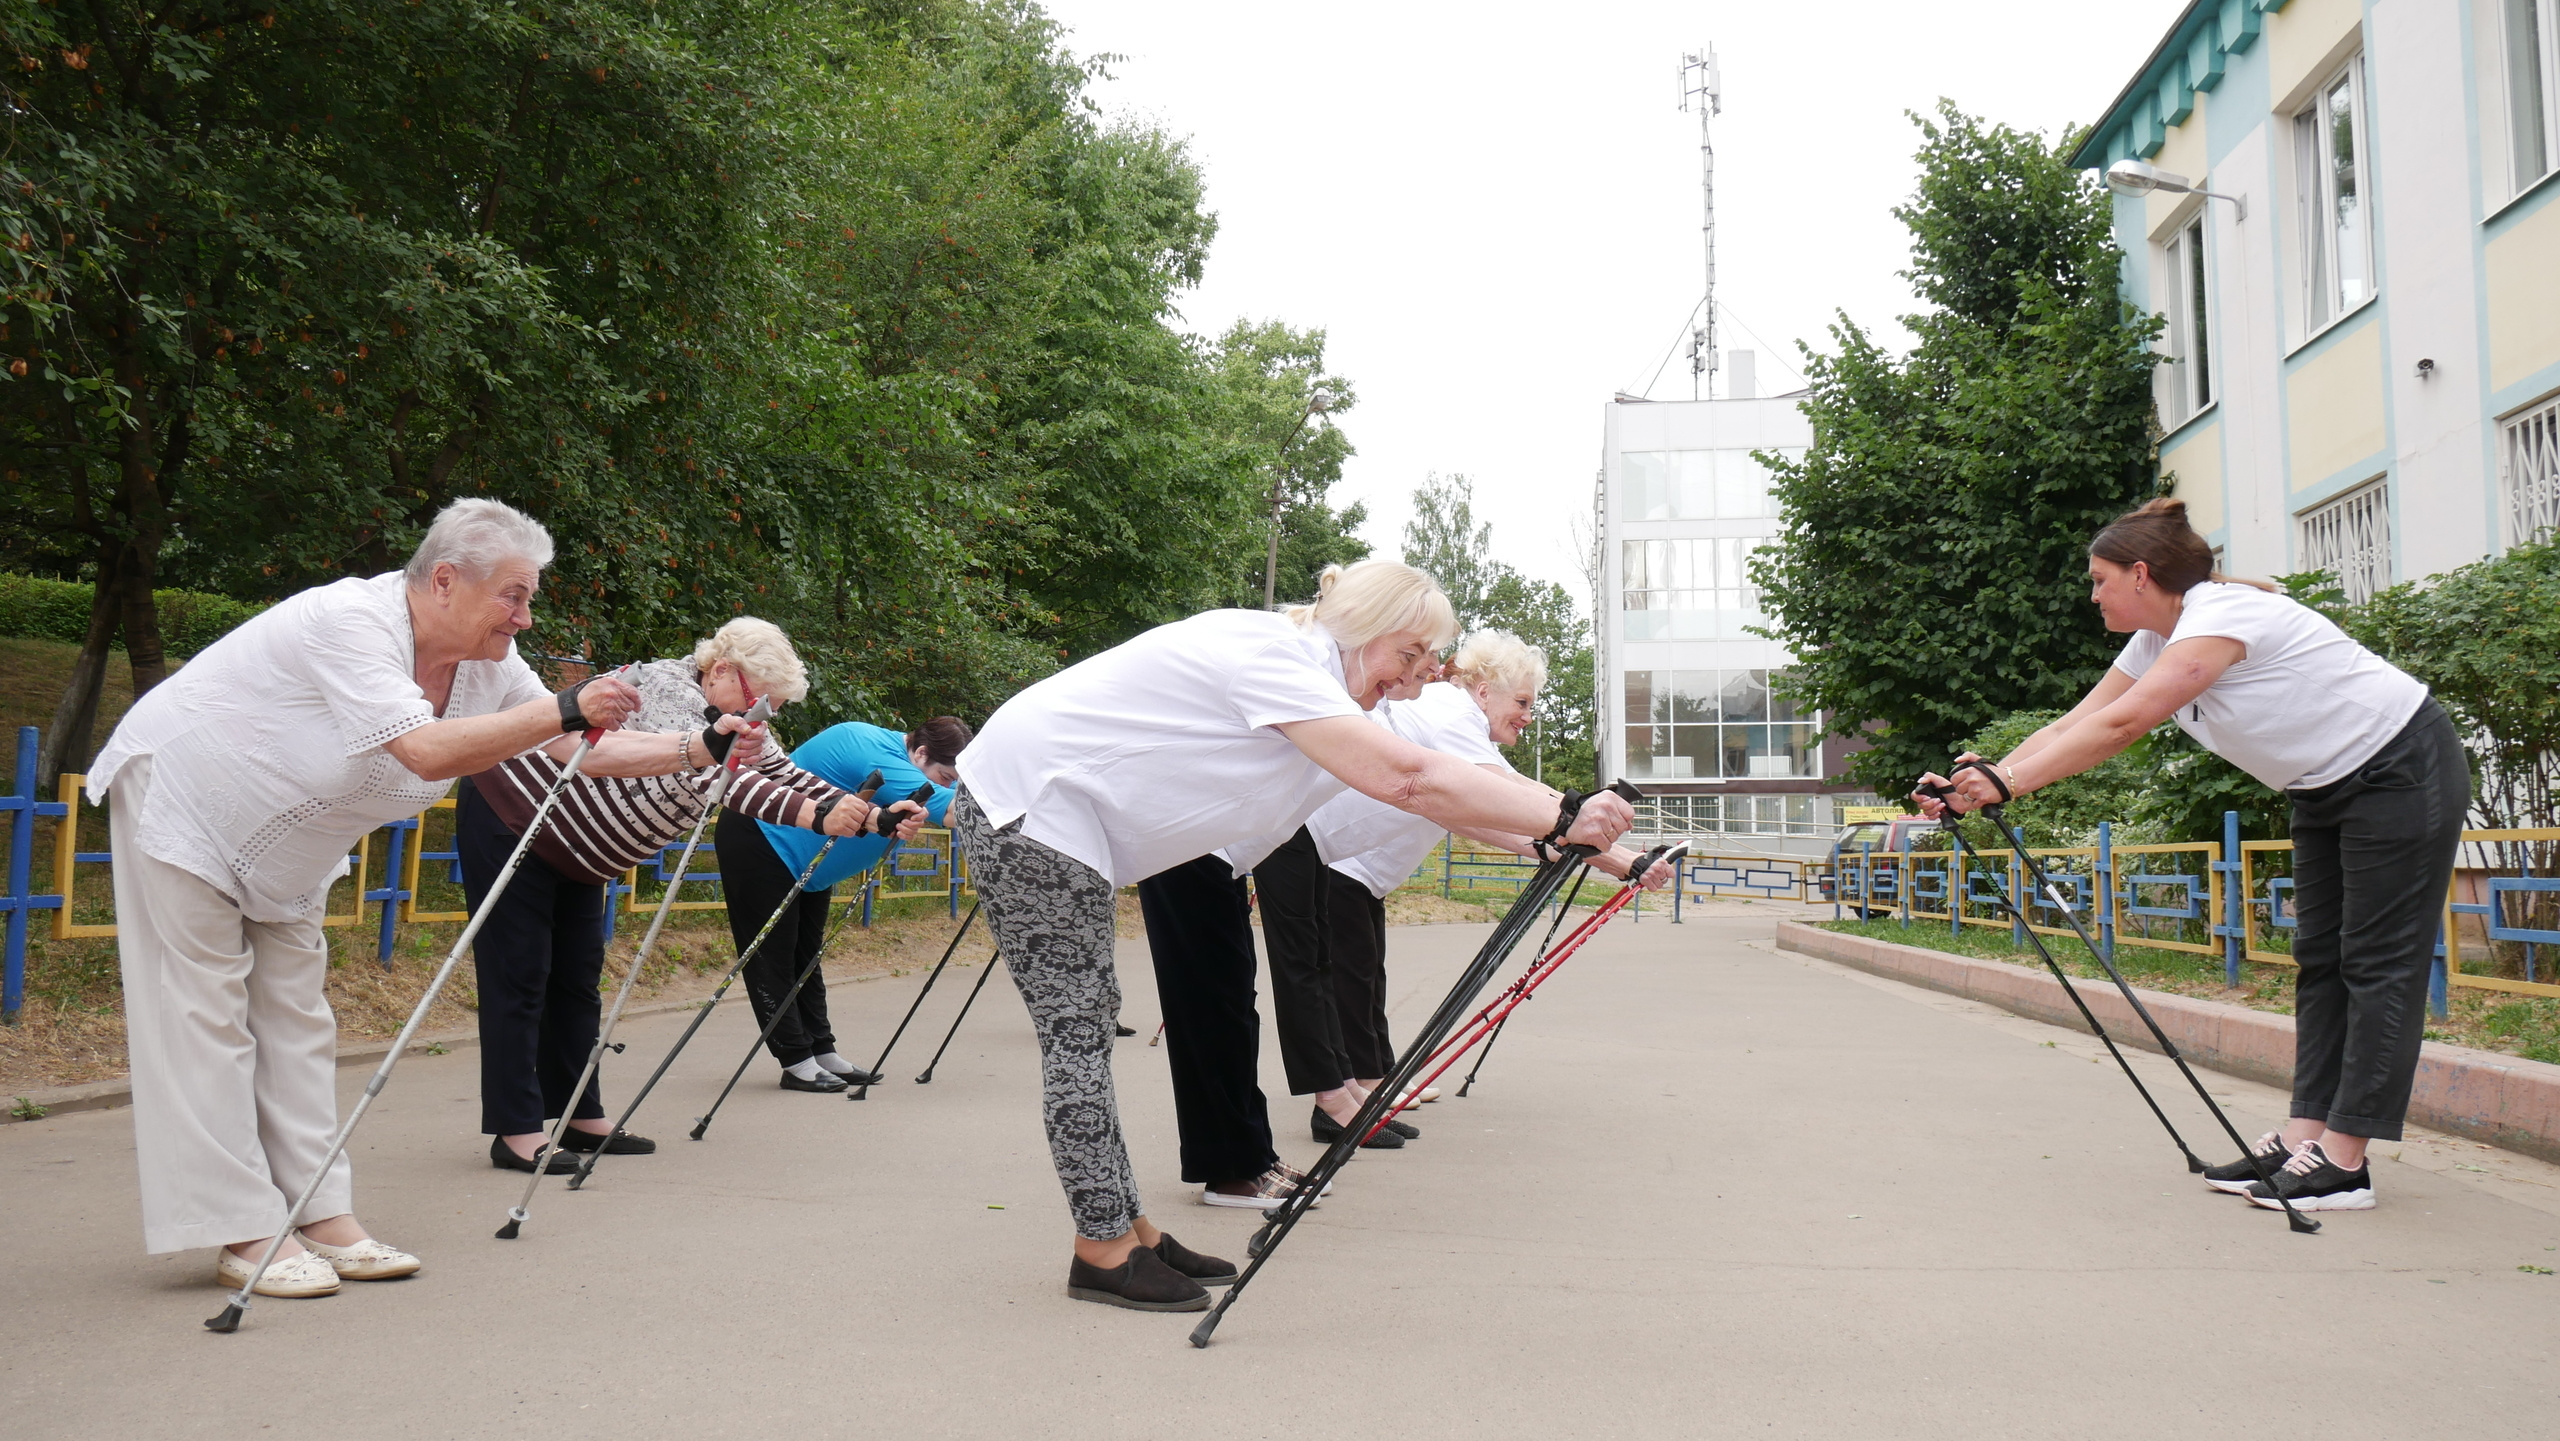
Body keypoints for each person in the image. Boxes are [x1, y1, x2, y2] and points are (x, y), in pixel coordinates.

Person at [950, 560, 1637, 1313]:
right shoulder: (1275, 656)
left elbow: (1444, 784)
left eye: (1422, 663)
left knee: (1085, 1023)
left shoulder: (1321, 681)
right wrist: (1564, 818)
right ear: (1361, 626)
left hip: (1064, 818)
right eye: (1406, 657)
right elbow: (1409, 779)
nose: (1410, 680)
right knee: (1077, 1033)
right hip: (1029, 806)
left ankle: (1128, 1227)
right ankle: (1102, 1248)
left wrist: (1561, 831)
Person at [88, 498, 685, 1299]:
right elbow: (426, 749)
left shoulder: (485, 664)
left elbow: (570, 744)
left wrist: (698, 747)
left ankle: (322, 1213)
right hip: (191, 798)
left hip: (290, 844)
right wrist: (569, 704)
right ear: (445, 580)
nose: (525, 615)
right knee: (206, 1019)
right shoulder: (350, 621)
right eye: (514, 593)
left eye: (530, 595)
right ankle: (241, 1227)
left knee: (298, 1020)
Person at [1917, 497, 2466, 1215]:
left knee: (2375, 960)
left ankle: (2346, 1159)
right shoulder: (2156, 638)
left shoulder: (2222, 616)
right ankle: (2304, 1136)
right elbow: (2078, 718)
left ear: (2140, 574)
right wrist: (1980, 785)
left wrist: (2008, 782)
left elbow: (2125, 724)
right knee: (2321, 957)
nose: (2092, 594)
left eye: (2099, 579)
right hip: (2323, 789)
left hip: (2402, 768)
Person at [460, 617, 900, 1172]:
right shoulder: (668, 690)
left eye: (776, 707)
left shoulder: (733, 718)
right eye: (764, 701)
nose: (769, 716)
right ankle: (516, 1130)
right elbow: (712, 779)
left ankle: (579, 1113)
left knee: (577, 980)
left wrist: (873, 818)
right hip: (517, 819)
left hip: (582, 853)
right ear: (721, 670)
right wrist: (817, 816)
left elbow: (782, 774)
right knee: (519, 977)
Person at [1267, 629, 1669, 1145]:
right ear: (1483, 692)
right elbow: (1502, 793)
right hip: (1321, 850)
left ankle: (1362, 1088)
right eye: (1521, 701)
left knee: (1355, 978)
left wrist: (1570, 847)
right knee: (1330, 976)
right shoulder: (1453, 713)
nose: (1528, 714)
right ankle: (1340, 1101)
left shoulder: (1454, 720)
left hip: (1341, 859)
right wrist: (1616, 855)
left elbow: (1475, 815)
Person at [714, 716, 965, 1092]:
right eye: (946, 776)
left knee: (807, 956)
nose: (949, 784)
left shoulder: (906, 758)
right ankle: (795, 1060)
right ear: (923, 753)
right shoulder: (876, 753)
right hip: (763, 841)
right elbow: (951, 812)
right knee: (773, 957)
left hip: (808, 863)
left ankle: (821, 1050)